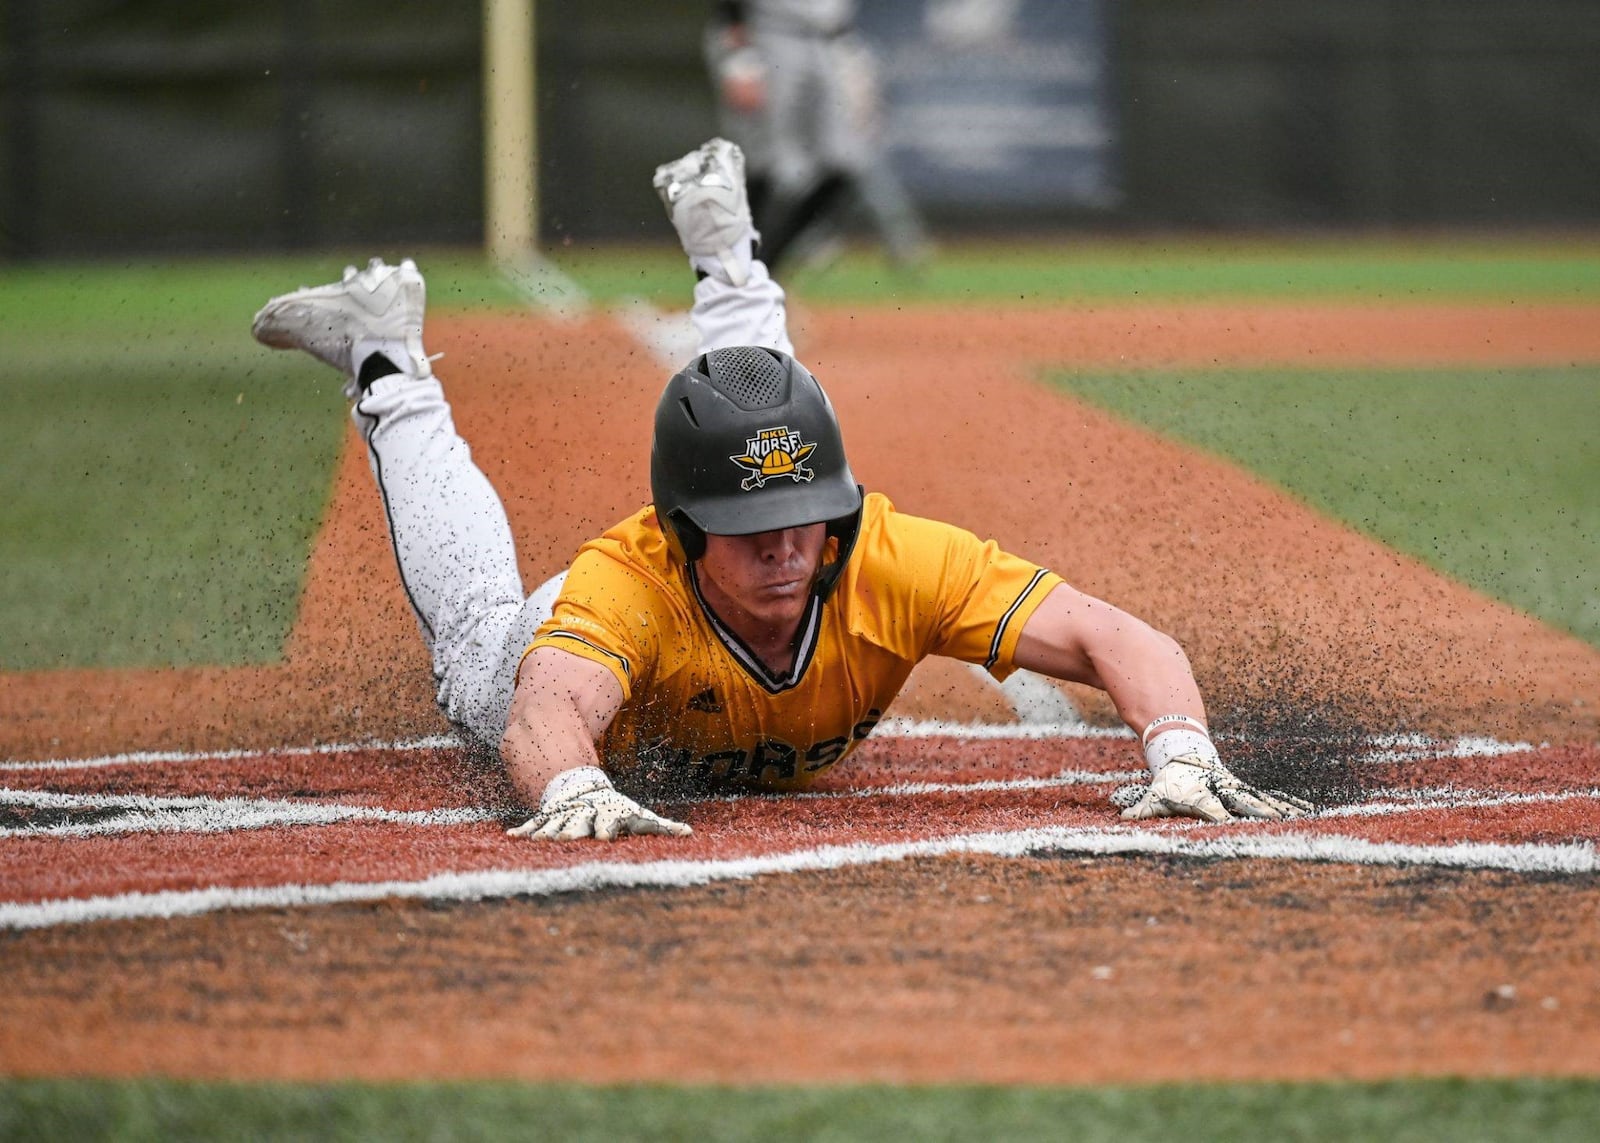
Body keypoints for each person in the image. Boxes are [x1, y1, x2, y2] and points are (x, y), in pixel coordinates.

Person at [251, 138, 1310, 842]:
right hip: (550, 644)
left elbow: (1114, 638)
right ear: (680, 535)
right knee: (477, 663)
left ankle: (728, 256)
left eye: (806, 522)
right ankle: (389, 363)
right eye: (746, 530)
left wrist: (1178, 748)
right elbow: (545, 709)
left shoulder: (885, 556)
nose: (783, 550)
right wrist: (574, 785)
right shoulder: (629, 586)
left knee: (769, 432)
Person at [703, 0, 929, 273]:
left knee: (848, 162)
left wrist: (851, 59)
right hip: (768, 37)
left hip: (831, 42)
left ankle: (762, 274)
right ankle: (732, 282)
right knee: (770, 165)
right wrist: (740, 60)